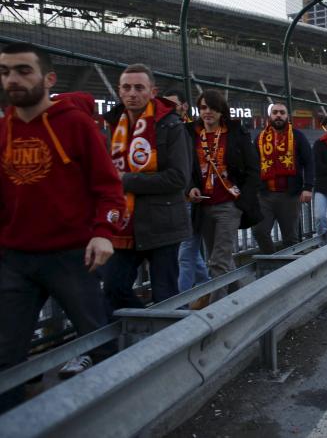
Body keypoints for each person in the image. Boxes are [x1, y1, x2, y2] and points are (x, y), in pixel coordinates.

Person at [0, 44, 126, 407]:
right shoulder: (3, 129)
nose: (13, 79)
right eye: (6, 71)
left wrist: (104, 232)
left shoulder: (75, 125)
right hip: (14, 258)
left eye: (23, 70)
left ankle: (118, 414)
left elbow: (109, 188)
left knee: (98, 341)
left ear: (48, 78)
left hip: (71, 255)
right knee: (6, 353)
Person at [103, 63, 192, 309]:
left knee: (166, 296)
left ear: (153, 91)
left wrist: (126, 181)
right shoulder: (113, 126)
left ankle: (177, 343)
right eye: (127, 87)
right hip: (124, 226)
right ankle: (142, 340)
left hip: (163, 224)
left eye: (139, 87)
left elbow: (178, 178)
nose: (132, 93)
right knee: (113, 288)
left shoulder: (171, 125)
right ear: (119, 91)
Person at [186, 90, 262, 302]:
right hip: (204, 205)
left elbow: (254, 170)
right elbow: (186, 168)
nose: (207, 112)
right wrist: (190, 187)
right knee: (220, 258)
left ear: (221, 111)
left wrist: (242, 202)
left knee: (218, 261)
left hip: (229, 204)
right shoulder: (191, 134)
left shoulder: (235, 134)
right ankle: (244, 299)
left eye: (212, 107)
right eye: (203, 107)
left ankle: (214, 312)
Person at [252, 103, 314, 253]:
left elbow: (309, 161)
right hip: (265, 195)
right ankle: (273, 263)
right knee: (259, 231)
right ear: (270, 116)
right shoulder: (260, 138)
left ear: (287, 116)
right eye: (275, 112)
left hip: (290, 196)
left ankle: (293, 271)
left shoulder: (298, 136)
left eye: (282, 112)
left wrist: (308, 187)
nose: (278, 115)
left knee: (290, 238)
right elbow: (253, 164)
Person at [163, 88, 208, 292]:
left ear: (184, 107)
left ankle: (179, 304)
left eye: (173, 105)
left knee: (185, 252)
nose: (169, 110)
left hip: (191, 199)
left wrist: (191, 188)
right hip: (172, 200)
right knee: (190, 252)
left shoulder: (192, 132)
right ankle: (207, 287)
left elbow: (193, 166)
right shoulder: (164, 130)